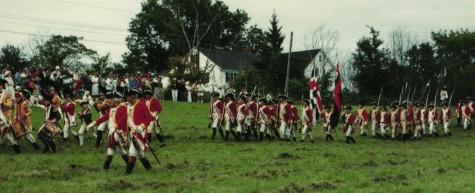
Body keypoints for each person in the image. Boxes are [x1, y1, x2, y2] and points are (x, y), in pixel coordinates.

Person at [87, 92, 129, 169]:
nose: (109, 101)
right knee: (119, 149)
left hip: (119, 132)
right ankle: (129, 164)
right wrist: (93, 123)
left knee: (111, 147)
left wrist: (115, 127)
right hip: (112, 132)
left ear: (116, 100)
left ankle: (106, 166)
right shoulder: (112, 109)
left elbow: (123, 119)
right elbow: (105, 117)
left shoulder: (123, 108)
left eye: (111, 99)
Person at [124, 88, 154, 175]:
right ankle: (149, 168)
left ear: (134, 96)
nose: (128, 98)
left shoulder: (142, 105)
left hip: (140, 131)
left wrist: (142, 126)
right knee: (140, 153)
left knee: (132, 152)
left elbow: (149, 117)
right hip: (132, 133)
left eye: (129, 96)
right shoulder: (128, 106)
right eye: (127, 96)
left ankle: (127, 172)